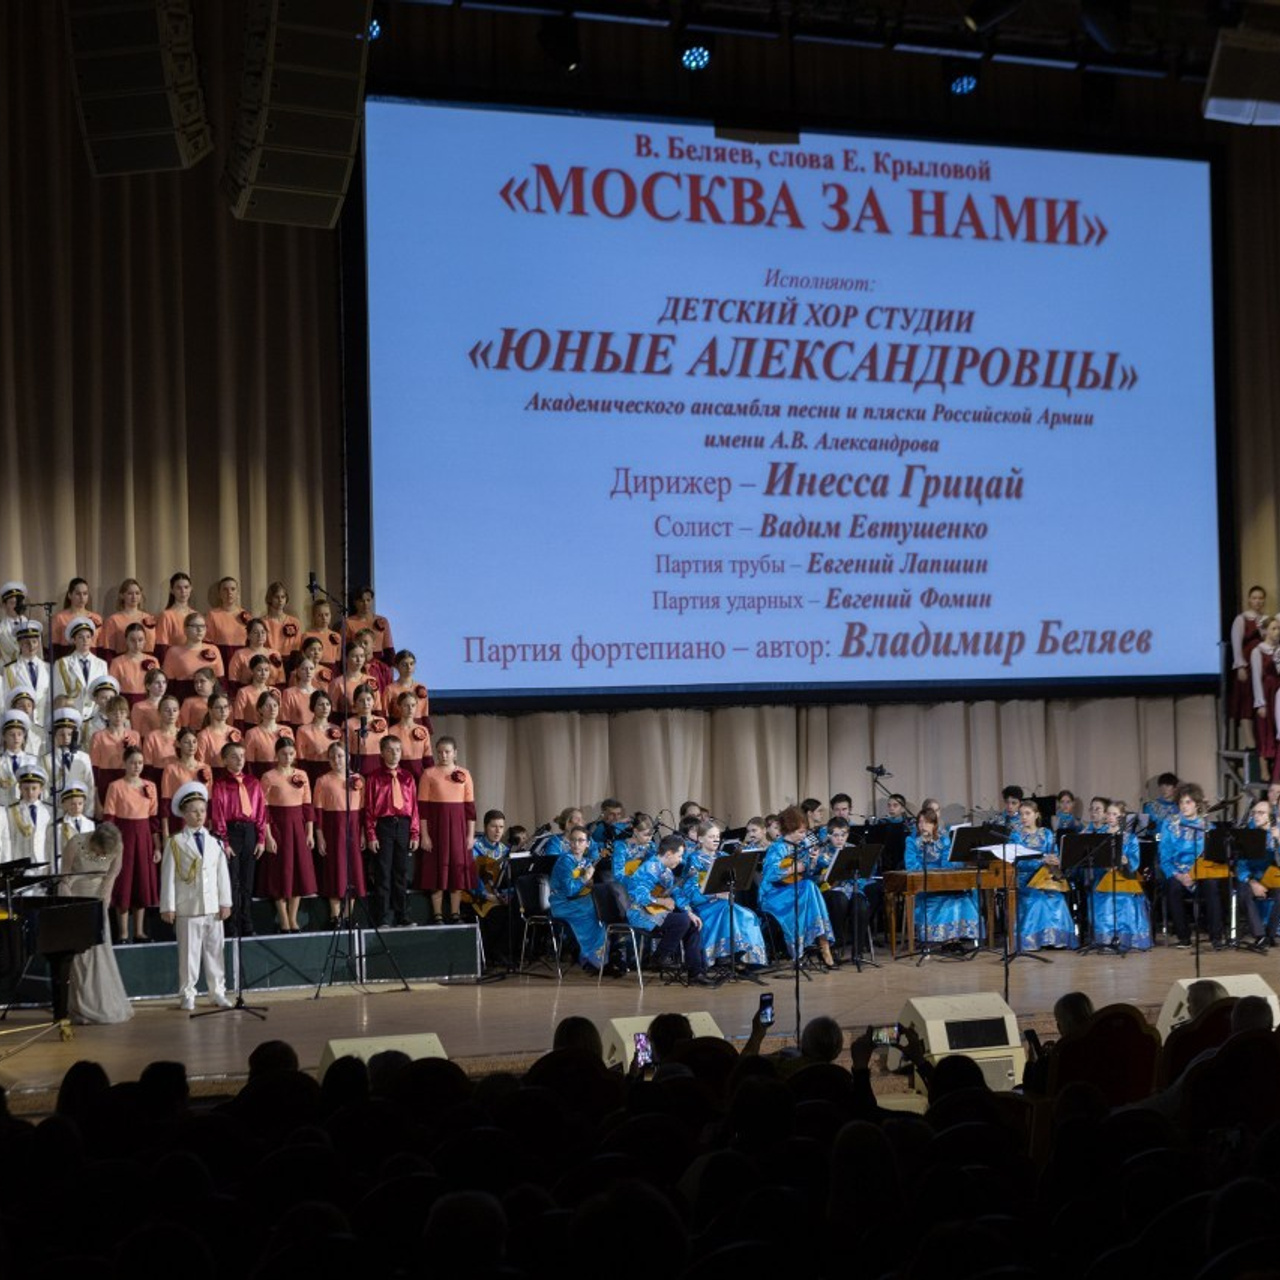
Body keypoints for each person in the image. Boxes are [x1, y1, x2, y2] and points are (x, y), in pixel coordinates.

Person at [159, 780, 232, 1011]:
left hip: (211, 906)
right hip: (188, 906)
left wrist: (225, 902)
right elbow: (169, 876)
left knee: (215, 952)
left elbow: (222, 875)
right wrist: (168, 906)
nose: (199, 815)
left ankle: (217, 991)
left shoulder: (215, 842)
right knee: (189, 954)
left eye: (202, 810)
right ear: (183, 813)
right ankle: (188, 993)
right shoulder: (176, 842)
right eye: (194, 811)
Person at [59, 819, 133, 1024]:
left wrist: (101, 906)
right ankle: (81, 1007)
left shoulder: (117, 846)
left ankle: (102, 1004)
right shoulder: (76, 843)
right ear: (94, 840)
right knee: (80, 958)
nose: (102, 856)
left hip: (98, 901)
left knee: (100, 954)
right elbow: (64, 879)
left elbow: (110, 879)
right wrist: (70, 906)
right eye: (100, 851)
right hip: (75, 899)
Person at [680, 820, 767, 969]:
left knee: (748, 915)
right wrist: (713, 895)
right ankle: (725, 955)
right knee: (728, 911)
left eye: (717, 836)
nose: (716, 839)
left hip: (724, 903)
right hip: (704, 906)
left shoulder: (723, 856)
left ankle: (748, 957)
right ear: (700, 839)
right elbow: (690, 893)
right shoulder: (693, 860)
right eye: (711, 836)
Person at [625, 833, 710, 985]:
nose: (681, 860)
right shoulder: (649, 868)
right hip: (640, 913)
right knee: (682, 921)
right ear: (669, 853)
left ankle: (695, 972)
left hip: (656, 911)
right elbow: (639, 896)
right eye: (679, 855)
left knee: (692, 923)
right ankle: (659, 957)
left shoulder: (666, 871)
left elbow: (676, 893)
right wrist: (662, 901)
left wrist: (689, 912)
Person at [759, 805, 836, 967]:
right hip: (775, 894)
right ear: (789, 830)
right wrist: (794, 868)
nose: (804, 835)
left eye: (805, 831)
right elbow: (770, 875)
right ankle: (822, 944)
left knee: (809, 886)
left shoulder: (805, 843)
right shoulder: (777, 847)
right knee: (809, 887)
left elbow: (810, 871)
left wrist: (814, 860)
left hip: (798, 889)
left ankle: (817, 945)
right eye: (801, 832)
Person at [102, 745, 160, 945]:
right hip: (123, 837)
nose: (137, 766)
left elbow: (153, 820)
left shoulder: (150, 787)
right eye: (133, 762)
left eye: (140, 763)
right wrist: (111, 847)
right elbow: (109, 818)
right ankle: (124, 932)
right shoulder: (115, 786)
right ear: (124, 763)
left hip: (143, 837)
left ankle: (140, 931)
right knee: (124, 883)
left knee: (141, 882)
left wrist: (157, 846)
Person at [208, 741, 266, 938]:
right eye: (234, 756)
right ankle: (230, 925)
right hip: (231, 833)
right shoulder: (220, 784)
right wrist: (224, 841)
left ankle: (247, 923)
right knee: (231, 881)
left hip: (249, 832)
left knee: (247, 881)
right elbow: (218, 815)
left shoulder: (253, 783)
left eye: (242, 755)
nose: (239, 759)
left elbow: (260, 812)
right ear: (224, 760)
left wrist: (261, 839)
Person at [259, 736, 316, 933]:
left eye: (291, 753)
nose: (288, 757)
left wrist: (309, 832)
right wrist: (268, 836)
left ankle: (293, 918)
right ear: (276, 754)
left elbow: (308, 805)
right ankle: (283, 918)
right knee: (280, 872)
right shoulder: (269, 777)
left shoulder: (302, 775)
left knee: (298, 872)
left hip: (298, 827)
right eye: (283, 753)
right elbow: (263, 810)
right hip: (278, 828)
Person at [416, 736, 475, 924]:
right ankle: (438, 914)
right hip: (436, 828)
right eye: (440, 751)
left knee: (457, 870)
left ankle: (455, 913)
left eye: (447, 751)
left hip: (458, 829)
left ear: (455, 753)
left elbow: (470, 809)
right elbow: (422, 809)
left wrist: (470, 835)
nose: (443, 755)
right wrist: (424, 835)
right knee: (437, 869)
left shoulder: (464, 774)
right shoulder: (429, 774)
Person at [1160, 782, 1225, 949]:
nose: (1184, 806)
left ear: (1197, 804)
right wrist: (1179, 875)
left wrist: (1194, 875)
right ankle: (1184, 937)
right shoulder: (1169, 825)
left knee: (1212, 885)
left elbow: (1211, 858)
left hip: (1200, 873)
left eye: (1188, 802)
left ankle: (1216, 936)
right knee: (1172, 887)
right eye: (1181, 802)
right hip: (1177, 873)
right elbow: (1164, 857)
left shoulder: (1207, 827)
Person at [903, 808, 980, 948]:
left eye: (926, 822)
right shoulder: (911, 841)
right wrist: (931, 872)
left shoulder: (944, 840)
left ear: (934, 825)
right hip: (924, 885)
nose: (922, 826)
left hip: (943, 883)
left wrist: (939, 873)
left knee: (962, 898)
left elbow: (947, 864)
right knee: (941, 901)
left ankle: (954, 939)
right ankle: (941, 939)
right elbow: (911, 865)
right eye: (920, 822)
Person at [364, 735, 418, 929]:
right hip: (384, 826)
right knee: (383, 873)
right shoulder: (374, 777)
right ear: (382, 752)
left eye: (398, 750)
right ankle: (383, 917)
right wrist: (371, 834)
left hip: (403, 825)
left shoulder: (408, 777)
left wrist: (414, 832)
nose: (394, 754)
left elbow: (414, 807)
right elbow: (369, 809)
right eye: (390, 750)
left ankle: (402, 914)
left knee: (401, 872)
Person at [1011, 800, 1077, 951]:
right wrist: (1041, 860)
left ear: (1036, 815)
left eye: (1028, 813)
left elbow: (1053, 852)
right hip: (1024, 880)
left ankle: (1054, 940)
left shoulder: (1046, 833)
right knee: (1037, 900)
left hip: (1046, 879)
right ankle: (1033, 941)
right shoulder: (1016, 836)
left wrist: (1055, 860)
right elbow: (1017, 862)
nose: (1024, 817)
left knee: (1057, 899)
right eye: (1021, 814)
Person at [312, 742, 365, 925]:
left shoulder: (357, 779)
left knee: (353, 869)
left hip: (354, 827)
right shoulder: (323, 780)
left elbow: (364, 809)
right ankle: (335, 915)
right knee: (335, 869)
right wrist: (319, 836)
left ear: (348, 757)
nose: (337, 760)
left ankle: (348, 914)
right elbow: (317, 811)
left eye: (341, 756)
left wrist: (364, 833)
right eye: (333, 757)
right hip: (333, 828)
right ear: (329, 759)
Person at [1090, 801, 1153, 950]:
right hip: (1104, 880)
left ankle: (1128, 939)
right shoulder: (1099, 836)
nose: (1111, 817)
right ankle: (1106, 939)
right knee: (1105, 901)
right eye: (1109, 814)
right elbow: (1092, 861)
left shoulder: (1130, 838)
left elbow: (1135, 863)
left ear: (1122, 817)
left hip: (1125, 878)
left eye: (1115, 814)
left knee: (1128, 900)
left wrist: (1126, 861)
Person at [549, 824, 608, 973]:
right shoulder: (565, 861)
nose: (576, 844)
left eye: (581, 840)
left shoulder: (586, 861)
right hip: (563, 903)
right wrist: (584, 878)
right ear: (569, 842)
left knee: (603, 911)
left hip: (580, 900)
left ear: (588, 843)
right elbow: (569, 890)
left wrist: (589, 881)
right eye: (573, 840)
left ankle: (602, 959)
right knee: (592, 913)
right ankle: (590, 960)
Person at [815, 814, 873, 954]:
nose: (840, 839)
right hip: (830, 891)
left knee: (861, 904)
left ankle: (858, 949)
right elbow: (812, 877)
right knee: (839, 900)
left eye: (843, 835)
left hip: (851, 889)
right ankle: (836, 943)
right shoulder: (821, 852)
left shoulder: (853, 849)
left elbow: (863, 874)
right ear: (828, 835)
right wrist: (823, 877)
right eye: (836, 835)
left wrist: (857, 881)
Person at [467, 808, 511, 966]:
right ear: (485, 827)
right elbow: (471, 876)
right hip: (477, 896)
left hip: (498, 896)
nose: (498, 831)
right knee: (496, 913)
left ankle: (501, 953)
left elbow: (508, 879)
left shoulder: (505, 851)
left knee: (516, 911)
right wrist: (486, 895)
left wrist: (506, 894)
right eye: (494, 826)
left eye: (501, 827)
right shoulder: (474, 847)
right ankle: (489, 955)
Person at [1236, 797, 1280, 947]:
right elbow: (1240, 864)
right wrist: (1252, 882)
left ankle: (1270, 934)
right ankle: (1260, 935)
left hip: (1271, 875)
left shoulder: (1277, 831)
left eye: (1261, 813)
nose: (1256, 816)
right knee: (1244, 893)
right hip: (1251, 876)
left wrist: (1278, 840)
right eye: (1255, 813)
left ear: (1270, 816)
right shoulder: (1248, 831)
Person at [44, 706, 95, 820]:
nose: (66, 738)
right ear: (54, 736)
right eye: (61, 734)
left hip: (80, 812)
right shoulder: (46, 760)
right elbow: (44, 791)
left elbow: (90, 785)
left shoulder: (84, 757)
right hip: (56, 812)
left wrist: (89, 813)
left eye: (70, 734)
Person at [161, 612, 225, 704]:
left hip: (209, 702)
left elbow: (220, 681)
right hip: (183, 699)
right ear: (185, 629)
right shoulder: (173, 652)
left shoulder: (213, 649)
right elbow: (168, 685)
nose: (200, 630)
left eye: (203, 626)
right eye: (195, 626)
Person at [159, 728, 212, 834]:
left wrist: (210, 822)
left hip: (201, 818)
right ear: (178, 744)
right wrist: (165, 832)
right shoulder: (171, 769)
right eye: (186, 742)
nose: (191, 745)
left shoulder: (205, 768)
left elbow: (209, 799)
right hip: (179, 819)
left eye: (194, 741)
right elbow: (165, 801)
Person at [1231, 585, 1268, 730]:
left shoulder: (1266, 620)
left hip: (1263, 664)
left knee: (1261, 700)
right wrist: (1240, 666)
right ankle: (1249, 743)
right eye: (1254, 598)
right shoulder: (1242, 619)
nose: (1257, 601)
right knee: (1246, 701)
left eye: (1260, 598)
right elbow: (1236, 642)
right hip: (1247, 665)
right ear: (1249, 600)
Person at [54, 616, 109, 715]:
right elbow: (59, 692)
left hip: (95, 716)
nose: (85, 640)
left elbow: (104, 692)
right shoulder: (63, 663)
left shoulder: (101, 664)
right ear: (74, 640)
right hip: (72, 714)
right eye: (80, 637)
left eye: (88, 637)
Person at [4, 619, 50, 728]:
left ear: (39, 643)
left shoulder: (48, 668)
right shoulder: (10, 670)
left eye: (34, 641)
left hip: (45, 722)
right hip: (21, 722)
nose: (31, 646)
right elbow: (6, 700)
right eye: (26, 643)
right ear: (19, 644)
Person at [8, 762, 52, 865]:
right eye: (26, 788)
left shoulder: (50, 811)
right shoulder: (12, 811)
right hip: (20, 862)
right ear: (20, 789)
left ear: (41, 789)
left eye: (34, 788)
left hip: (44, 862)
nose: (30, 792)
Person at [1252, 615, 1280, 777]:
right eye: (1273, 629)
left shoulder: (1278, 650)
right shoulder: (1258, 651)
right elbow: (1256, 677)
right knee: (1265, 730)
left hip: (1278, 692)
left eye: (1278, 629)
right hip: (1266, 691)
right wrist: (1260, 703)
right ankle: (1264, 770)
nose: (1277, 632)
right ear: (1265, 631)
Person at [101, 579, 156, 656]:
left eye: (137, 593)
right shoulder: (113, 620)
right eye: (130, 593)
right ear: (122, 595)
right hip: (123, 662)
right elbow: (108, 649)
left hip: (147, 663)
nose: (134, 597)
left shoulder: (149, 618)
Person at [227, 617, 285, 691]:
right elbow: (233, 681)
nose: (260, 635)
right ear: (248, 635)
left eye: (263, 632)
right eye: (255, 632)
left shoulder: (275, 653)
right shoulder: (239, 655)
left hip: (271, 696)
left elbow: (281, 680)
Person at [295, 690, 339, 785]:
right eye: (320, 704)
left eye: (327, 704)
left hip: (336, 773)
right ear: (313, 707)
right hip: (314, 773)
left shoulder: (337, 729)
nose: (325, 708)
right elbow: (300, 760)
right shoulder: (303, 730)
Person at [243, 691, 292, 777]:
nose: (272, 709)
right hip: (262, 775)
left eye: (275, 705)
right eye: (267, 706)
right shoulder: (252, 733)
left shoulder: (287, 730)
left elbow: (293, 758)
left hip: (286, 776)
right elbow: (249, 764)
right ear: (260, 709)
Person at [51, 578, 103, 658]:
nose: (82, 597)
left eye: (85, 594)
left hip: (92, 660)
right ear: (70, 595)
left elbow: (100, 645)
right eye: (78, 594)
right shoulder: (59, 618)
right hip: (68, 659)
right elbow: (54, 648)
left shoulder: (96, 618)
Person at [204, 576, 250, 667]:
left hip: (243, 659)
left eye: (233, 589)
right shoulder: (212, 615)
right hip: (221, 658)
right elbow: (207, 641)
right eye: (225, 589)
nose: (229, 593)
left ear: (237, 593)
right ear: (219, 594)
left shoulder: (246, 616)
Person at [108, 622, 157, 705]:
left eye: (140, 640)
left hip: (148, 703)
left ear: (145, 641)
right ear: (126, 640)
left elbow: (157, 685)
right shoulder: (117, 662)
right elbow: (112, 689)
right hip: (125, 704)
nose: (137, 644)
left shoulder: (153, 661)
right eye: (132, 640)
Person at [388, 689, 432, 781]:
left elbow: (428, 759)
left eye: (413, 705)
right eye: (406, 705)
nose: (410, 709)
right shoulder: (391, 731)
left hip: (419, 777)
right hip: (398, 776)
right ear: (399, 707)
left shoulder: (423, 730)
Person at [344, 683, 387, 777]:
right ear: (355, 703)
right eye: (361, 700)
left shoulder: (381, 721)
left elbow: (386, 748)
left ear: (374, 701)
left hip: (379, 768)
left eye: (368, 699)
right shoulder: (348, 723)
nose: (365, 703)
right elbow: (345, 751)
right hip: (357, 769)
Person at [153, 571, 195, 659]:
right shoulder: (166, 615)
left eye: (186, 587)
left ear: (191, 589)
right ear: (172, 590)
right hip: (174, 661)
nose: (183, 591)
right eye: (178, 588)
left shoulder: (195, 615)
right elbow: (162, 646)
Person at [346, 586, 394, 662]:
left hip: (379, 665)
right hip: (357, 662)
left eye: (368, 600)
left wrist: (386, 669)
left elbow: (389, 649)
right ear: (355, 602)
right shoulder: (348, 622)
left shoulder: (382, 621)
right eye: (361, 601)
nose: (365, 604)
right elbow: (345, 648)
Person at [194, 692, 240, 769]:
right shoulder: (203, 736)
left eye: (225, 707)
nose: (223, 710)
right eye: (218, 707)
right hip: (214, 775)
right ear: (210, 710)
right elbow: (200, 763)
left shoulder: (236, 732)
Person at [262, 581, 303, 658]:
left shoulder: (294, 622)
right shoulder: (263, 622)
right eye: (276, 597)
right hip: (271, 659)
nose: (280, 600)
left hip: (291, 660)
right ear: (270, 598)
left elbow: (298, 645)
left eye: (283, 597)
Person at [178, 667, 218, 732]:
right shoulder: (188, 702)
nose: (198, 685)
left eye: (202, 681)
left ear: (212, 681)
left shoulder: (223, 701)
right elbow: (183, 726)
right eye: (196, 682)